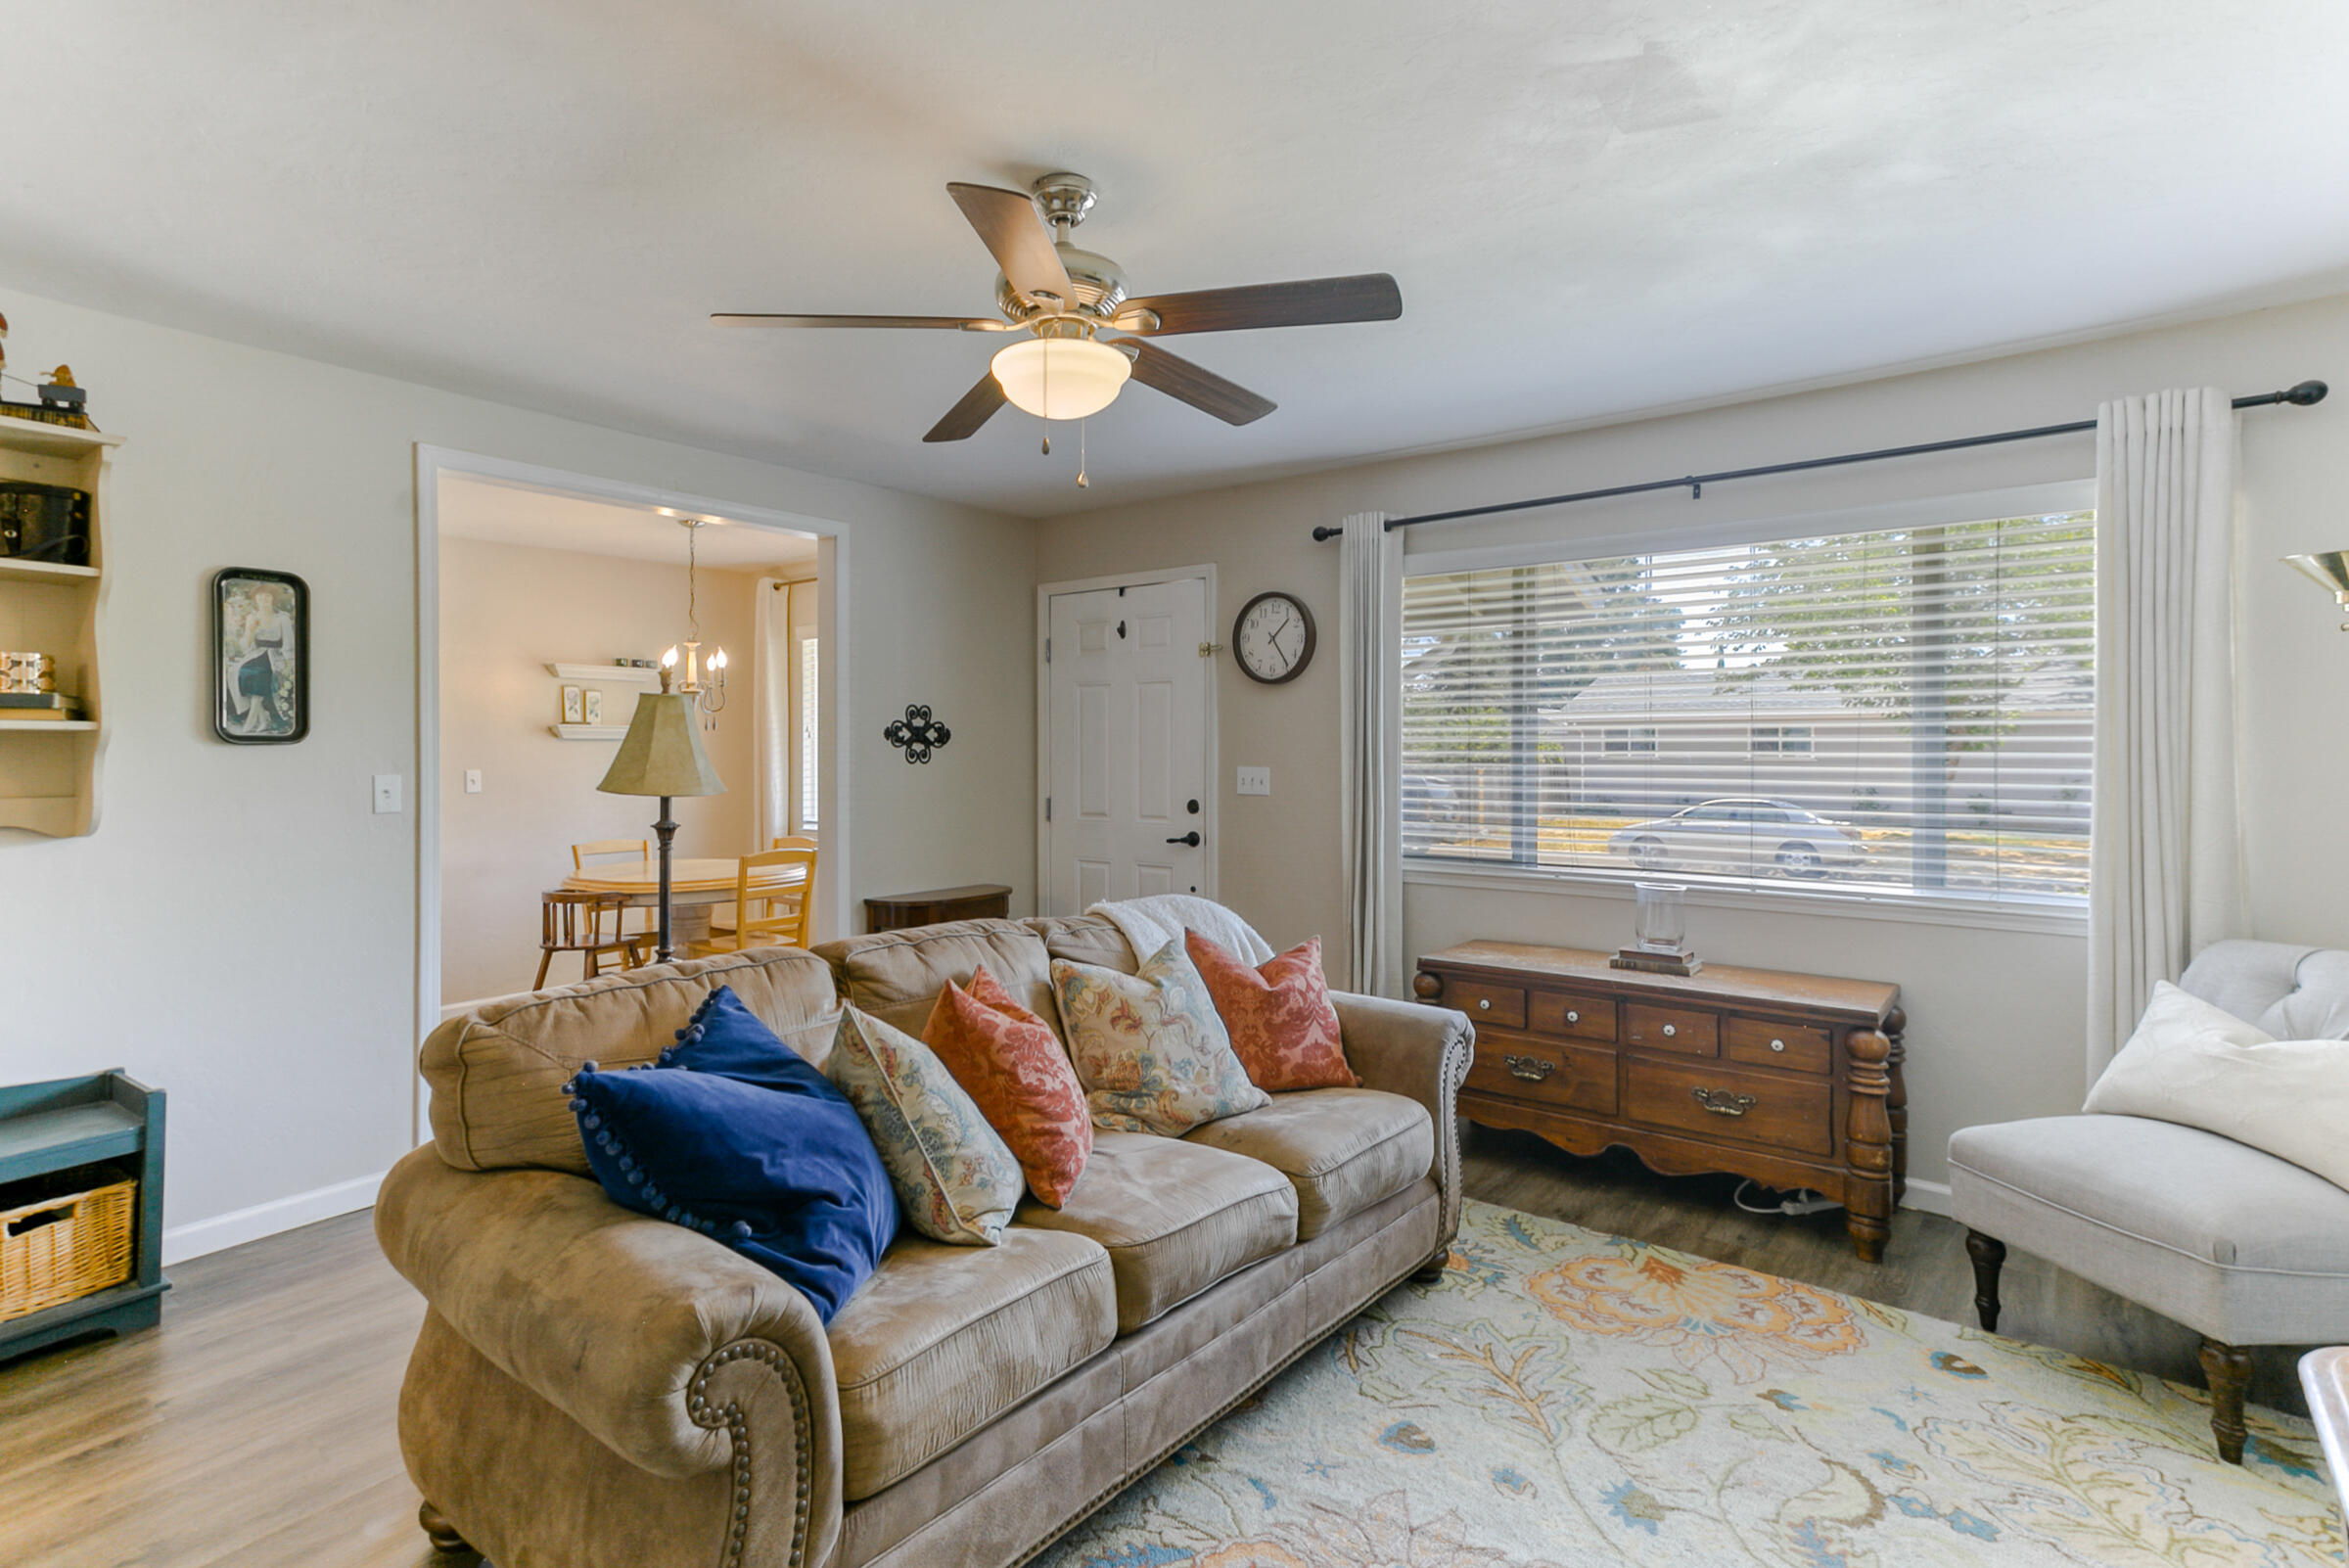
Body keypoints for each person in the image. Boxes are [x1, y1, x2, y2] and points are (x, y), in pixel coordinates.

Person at [229, 584, 294, 734]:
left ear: (273, 599)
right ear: (255, 599)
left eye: (267, 596)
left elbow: (289, 644)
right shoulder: (252, 617)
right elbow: (246, 646)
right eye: (260, 597)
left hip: (276, 656)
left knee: (259, 674)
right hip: (257, 654)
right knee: (240, 671)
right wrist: (251, 630)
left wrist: (288, 664)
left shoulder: (282, 618)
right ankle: (263, 720)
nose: (263, 600)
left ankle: (251, 721)